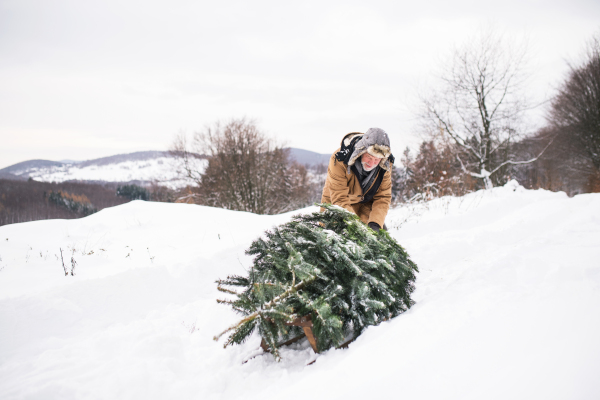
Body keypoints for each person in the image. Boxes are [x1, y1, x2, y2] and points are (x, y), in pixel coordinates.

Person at [321, 128, 394, 232]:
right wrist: (356, 225)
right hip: (337, 204)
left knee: (377, 239)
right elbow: (339, 198)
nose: (372, 163)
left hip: (365, 205)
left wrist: (375, 223)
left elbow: (383, 197)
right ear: (361, 151)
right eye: (369, 157)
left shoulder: (385, 165)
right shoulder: (340, 159)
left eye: (377, 160)